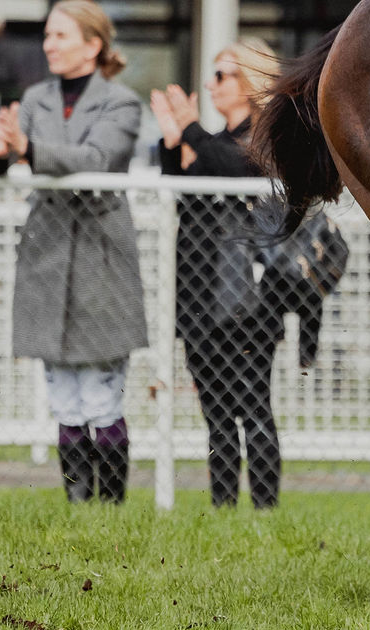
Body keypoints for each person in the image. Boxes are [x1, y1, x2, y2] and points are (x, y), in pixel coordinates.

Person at [0, 0, 147, 505]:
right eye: (47, 35)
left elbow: (97, 159)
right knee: (64, 397)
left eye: (60, 36)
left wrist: (24, 149)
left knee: (101, 394)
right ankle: (77, 506)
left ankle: (111, 508)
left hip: (101, 256)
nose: (49, 44)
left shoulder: (121, 103)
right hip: (47, 251)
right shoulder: (34, 98)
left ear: (93, 46)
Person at [154, 40, 288, 508]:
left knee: (252, 406)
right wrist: (173, 142)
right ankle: (223, 504)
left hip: (249, 299)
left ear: (250, 84)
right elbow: (186, 194)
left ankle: (265, 508)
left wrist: (189, 129)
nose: (211, 86)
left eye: (222, 76)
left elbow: (233, 167)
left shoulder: (267, 139)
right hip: (201, 294)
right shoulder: (211, 140)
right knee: (215, 411)